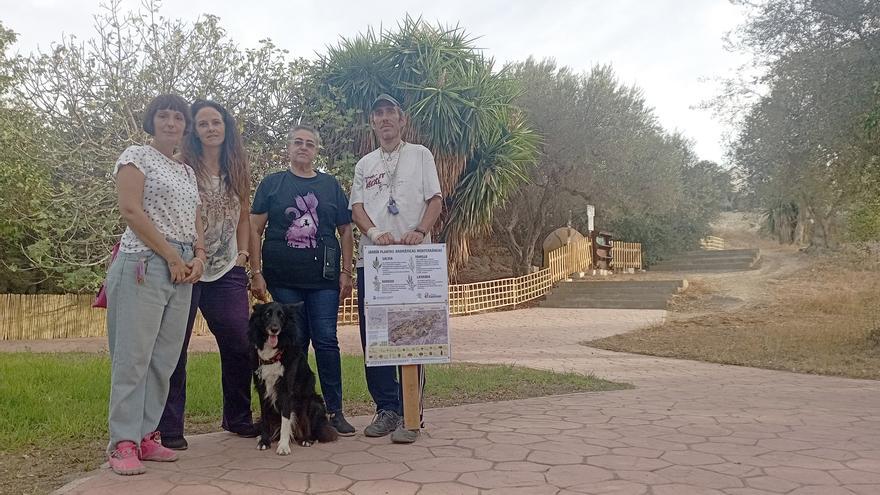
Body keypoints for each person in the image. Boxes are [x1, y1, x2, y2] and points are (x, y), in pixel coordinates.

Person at [105, 94, 205, 475]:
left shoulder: (187, 172)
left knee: (163, 359)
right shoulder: (136, 156)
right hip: (144, 262)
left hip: (182, 267)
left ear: (185, 126)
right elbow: (131, 209)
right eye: (164, 116)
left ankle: (147, 436)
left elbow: (196, 218)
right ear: (152, 121)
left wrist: (198, 255)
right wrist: (171, 256)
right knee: (133, 357)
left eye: (178, 117)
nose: (171, 123)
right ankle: (123, 443)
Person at [158, 100, 258, 450]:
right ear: (194, 131)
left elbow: (244, 216)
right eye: (203, 123)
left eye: (216, 122)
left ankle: (238, 417)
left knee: (239, 343)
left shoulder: (238, 168)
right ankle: (169, 428)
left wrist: (243, 257)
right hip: (187, 265)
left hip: (227, 266)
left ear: (226, 127)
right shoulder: (181, 166)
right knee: (175, 347)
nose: (211, 128)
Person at [249, 124, 356, 436]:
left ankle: (334, 410)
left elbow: (346, 230)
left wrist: (346, 272)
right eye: (298, 142)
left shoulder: (330, 185)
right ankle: (278, 415)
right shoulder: (272, 184)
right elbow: (254, 229)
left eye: (310, 143)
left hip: (323, 281)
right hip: (282, 281)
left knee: (326, 340)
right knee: (292, 346)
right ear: (288, 147)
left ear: (316, 150)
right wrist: (256, 273)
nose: (303, 147)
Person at [349, 94, 442, 444]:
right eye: (378, 114)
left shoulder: (420, 154)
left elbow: (435, 199)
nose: (385, 119)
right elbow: (356, 208)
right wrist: (374, 233)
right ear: (373, 122)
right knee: (375, 337)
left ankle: (412, 413)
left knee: (414, 333)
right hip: (375, 260)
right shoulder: (365, 163)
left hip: (413, 258)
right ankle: (386, 408)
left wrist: (419, 231)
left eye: (391, 113)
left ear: (402, 121)